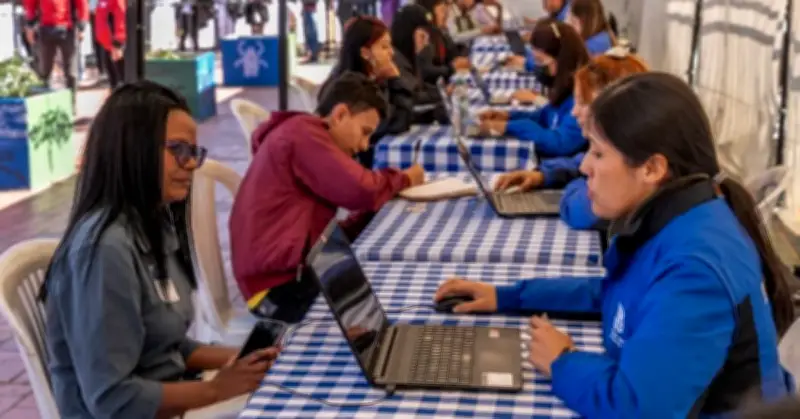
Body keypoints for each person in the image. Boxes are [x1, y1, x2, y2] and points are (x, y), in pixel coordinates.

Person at [435, 72, 795, 417]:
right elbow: (619, 291)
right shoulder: (678, 220)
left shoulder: (695, 269)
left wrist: (563, 362)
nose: (585, 167)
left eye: (598, 153)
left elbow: (637, 408)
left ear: (652, 169)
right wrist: (508, 296)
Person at [43, 81, 279, 418]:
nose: (190, 164)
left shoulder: (151, 223)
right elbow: (112, 398)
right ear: (132, 148)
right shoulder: (105, 250)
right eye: (178, 150)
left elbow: (163, 344)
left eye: (193, 152)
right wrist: (217, 388)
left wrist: (241, 360)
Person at [230, 72, 426, 323]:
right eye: (364, 132)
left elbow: (316, 229)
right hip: (276, 289)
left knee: (385, 293)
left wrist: (365, 217)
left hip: (288, 272)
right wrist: (405, 178)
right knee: (382, 310)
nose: (365, 146)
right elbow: (361, 190)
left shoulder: (302, 132)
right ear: (340, 114)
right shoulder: (303, 134)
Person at [496, 48, 648, 230]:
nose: (574, 112)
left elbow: (578, 209)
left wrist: (577, 184)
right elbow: (579, 162)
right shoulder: (623, 147)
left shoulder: (626, 168)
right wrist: (544, 175)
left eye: (583, 103)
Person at [479, 19, 589, 157]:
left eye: (540, 61)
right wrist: (508, 117)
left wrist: (510, 126)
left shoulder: (583, 95)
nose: (537, 67)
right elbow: (545, 116)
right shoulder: (564, 87)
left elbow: (560, 142)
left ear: (562, 60)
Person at [319, 16, 415, 168]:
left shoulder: (371, 79)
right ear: (365, 52)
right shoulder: (352, 88)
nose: (391, 53)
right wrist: (395, 80)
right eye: (384, 47)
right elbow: (397, 124)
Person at [23, 0, 88, 96]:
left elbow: (82, 4)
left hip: (67, 30)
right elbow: (30, 5)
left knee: (71, 73)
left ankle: (71, 103)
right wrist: (30, 26)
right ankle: (44, 101)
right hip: (45, 29)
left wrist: (82, 27)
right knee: (44, 70)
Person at [416, 0, 471, 84]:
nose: (446, 14)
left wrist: (460, 59)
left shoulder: (439, 32)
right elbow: (425, 71)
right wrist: (452, 68)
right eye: (442, 11)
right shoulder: (422, 35)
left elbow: (454, 52)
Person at [94, 0, 125, 88]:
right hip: (106, 44)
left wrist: (118, 43)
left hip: (114, 45)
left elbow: (120, 18)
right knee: (111, 76)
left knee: (120, 76)